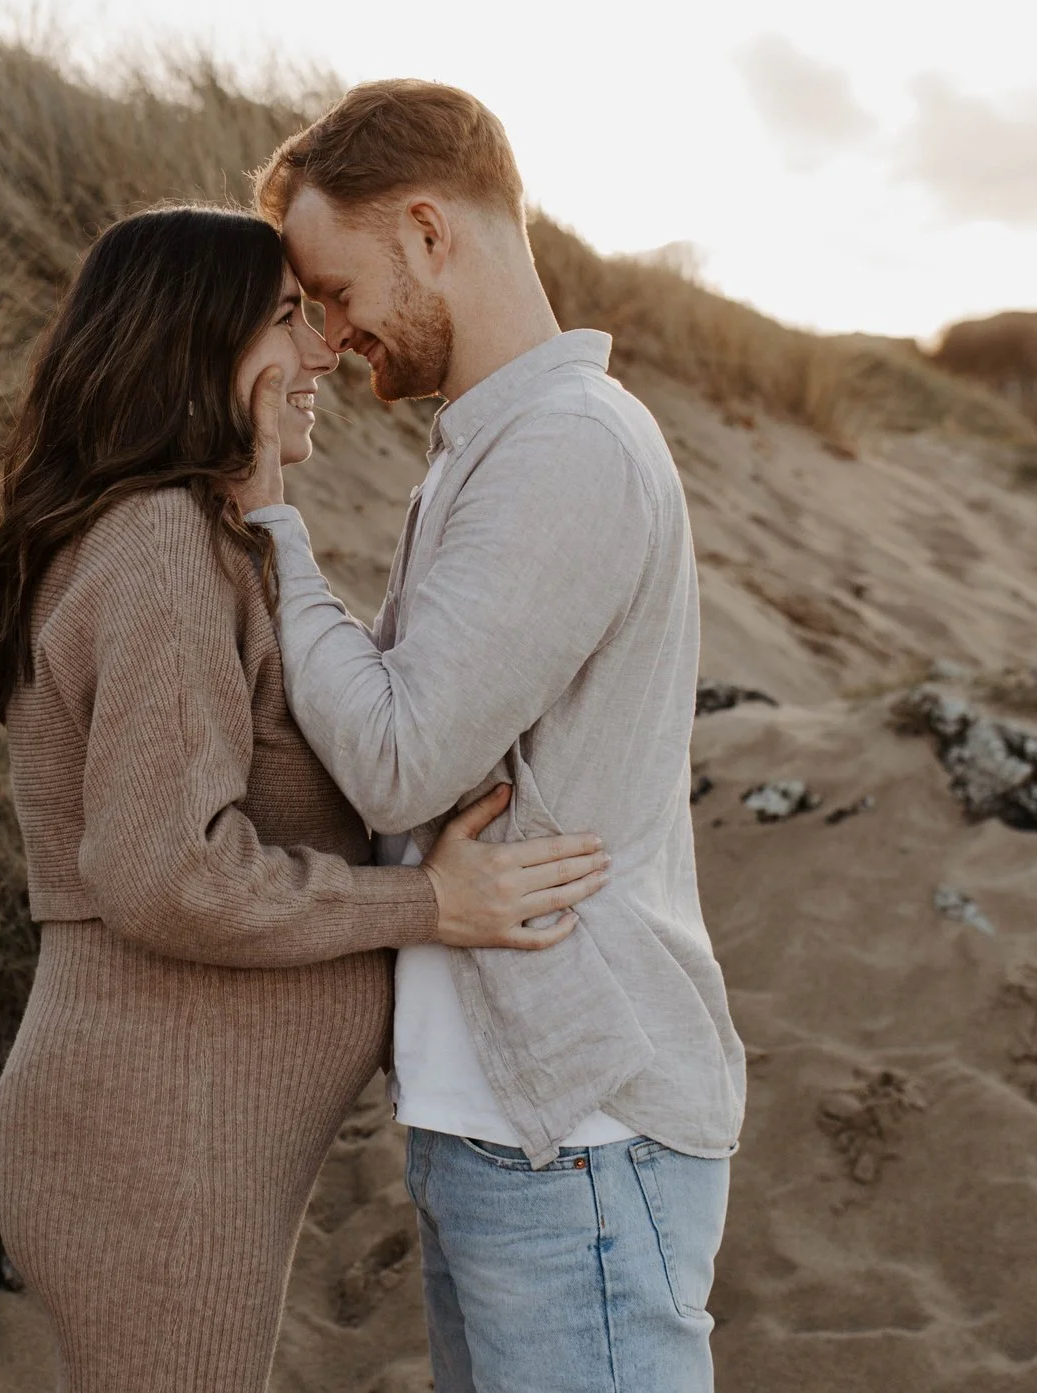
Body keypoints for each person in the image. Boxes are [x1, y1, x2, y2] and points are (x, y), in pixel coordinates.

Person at [0, 206, 614, 1391]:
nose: (323, 351)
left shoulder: (208, 542)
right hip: (155, 1141)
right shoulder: (158, 542)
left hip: (183, 1137)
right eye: (283, 318)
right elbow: (172, 872)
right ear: (192, 343)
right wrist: (422, 904)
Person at [235, 83, 746, 1393]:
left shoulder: (565, 450)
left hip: (581, 1126)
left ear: (424, 229)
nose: (335, 336)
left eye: (337, 289)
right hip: (506, 1116)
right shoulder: (490, 448)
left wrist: (272, 528)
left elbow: (403, 758)